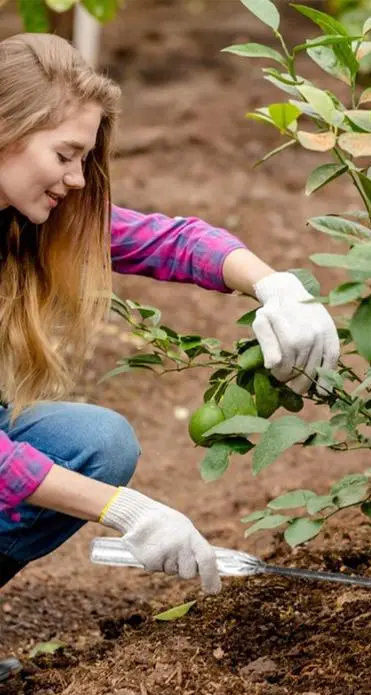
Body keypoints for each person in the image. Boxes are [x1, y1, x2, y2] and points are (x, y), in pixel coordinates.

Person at [0, 33, 340, 618]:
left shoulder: (24, 219)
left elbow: (170, 241)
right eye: (64, 155)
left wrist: (275, 287)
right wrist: (126, 510)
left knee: (96, 444)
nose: (78, 179)